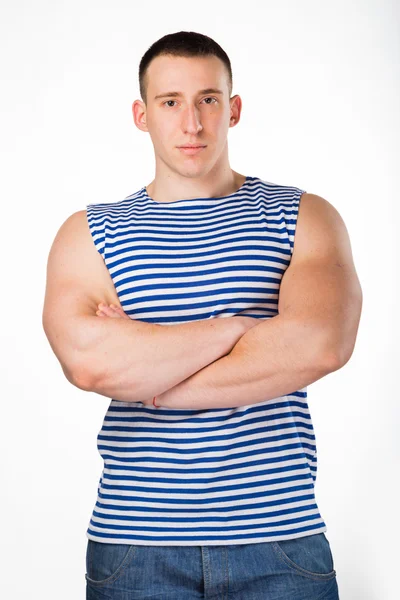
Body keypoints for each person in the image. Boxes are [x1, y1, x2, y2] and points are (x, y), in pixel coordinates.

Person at [42, 30, 362, 599]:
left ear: (233, 109)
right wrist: (238, 329)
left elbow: (320, 346)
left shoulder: (303, 216)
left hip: (279, 539)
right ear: (142, 115)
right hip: (136, 545)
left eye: (208, 100)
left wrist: (154, 374)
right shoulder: (90, 233)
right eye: (170, 103)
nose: (191, 123)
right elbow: (91, 366)